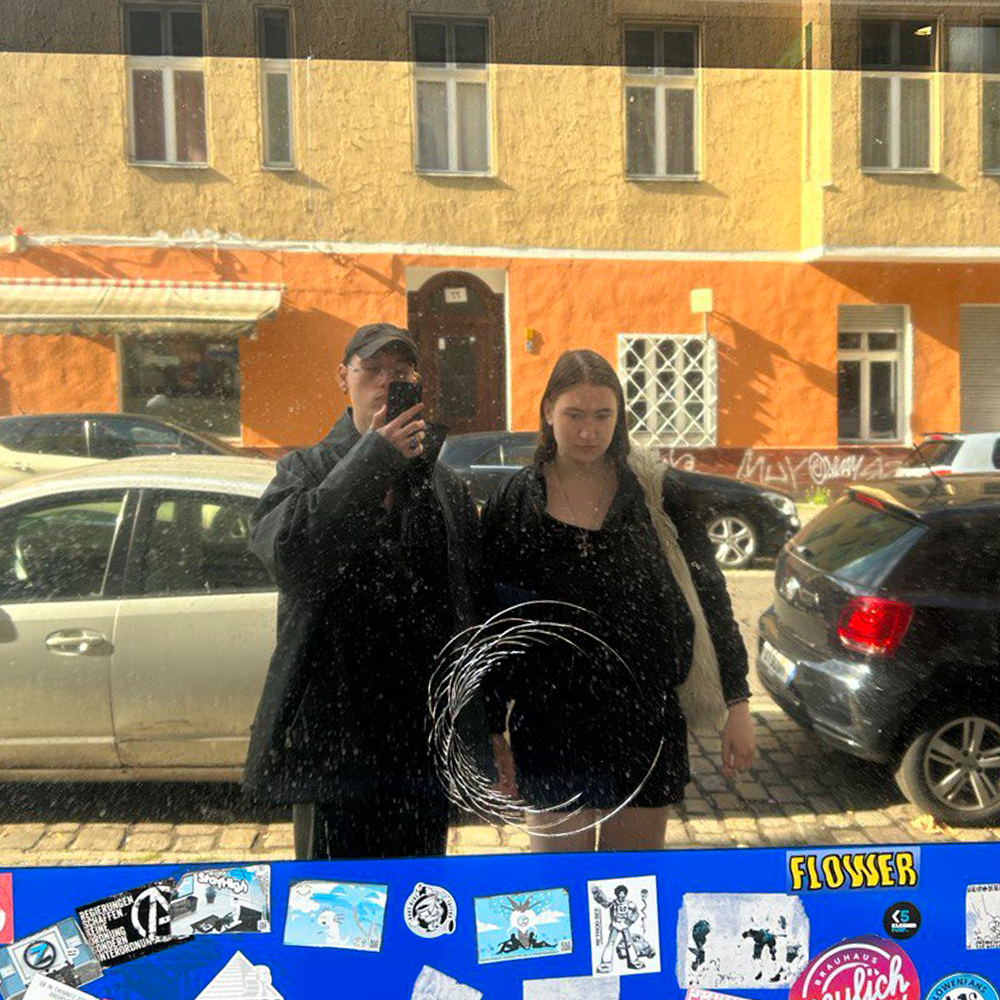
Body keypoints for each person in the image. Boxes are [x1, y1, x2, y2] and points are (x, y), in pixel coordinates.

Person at [481, 348, 755, 852]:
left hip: (643, 720)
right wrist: (491, 725)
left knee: (631, 885)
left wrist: (737, 703)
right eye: (575, 415)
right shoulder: (515, 501)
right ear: (548, 411)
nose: (589, 431)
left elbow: (710, 598)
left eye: (602, 415)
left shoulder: (658, 494)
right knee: (560, 887)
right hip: (549, 723)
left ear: (619, 417)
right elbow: (493, 623)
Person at [243, 322, 481, 859]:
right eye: (371, 369)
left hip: (421, 744)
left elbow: (466, 605)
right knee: (333, 902)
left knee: (419, 899)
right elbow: (289, 555)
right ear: (342, 377)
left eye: (400, 372)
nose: (385, 381)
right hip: (335, 744)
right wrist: (372, 459)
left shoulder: (443, 484)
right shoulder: (304, 470)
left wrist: (480, 724)